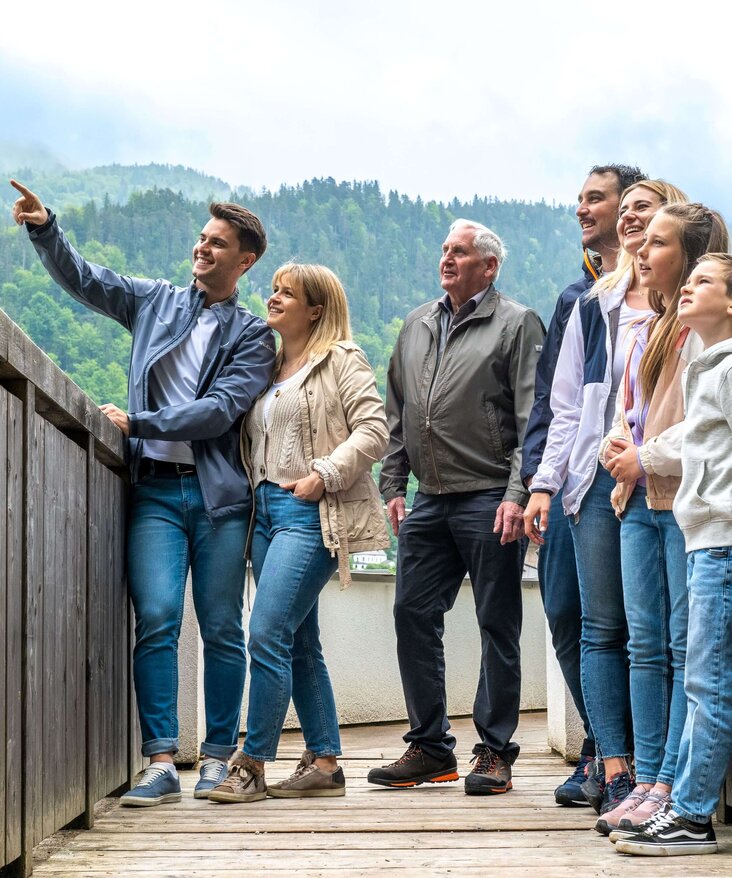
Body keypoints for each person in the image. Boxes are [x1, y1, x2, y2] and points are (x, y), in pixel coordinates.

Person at [10, 179, 276, 807]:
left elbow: (220, 410)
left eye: (217, 243)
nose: (202, 248)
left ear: (246, 260)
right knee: (155, 618)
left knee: (220, 628)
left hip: (218, 501)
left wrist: (141, 423)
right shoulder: (155, 301)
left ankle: (215, 759)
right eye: (201, 238)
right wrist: (46, 227)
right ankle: (160, 763)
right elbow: (86, 279)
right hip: (153, 493)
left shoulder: (253, 336)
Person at [523, 180, 687, 816]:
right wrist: (545, 482)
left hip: (661, 483)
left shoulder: (685, 306)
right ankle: (614, 764)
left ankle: (657, 772)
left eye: (640, 208)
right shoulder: (594, 304)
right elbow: (565, 404)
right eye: (623, 212)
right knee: (601, 626)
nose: (627, 219)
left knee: (658, 630)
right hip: (595, 481)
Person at [370, 219, 545, 795]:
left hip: (492, 497)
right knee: (412, 613)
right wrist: (393, 484)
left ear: (488, 266)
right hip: (429, 501)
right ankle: (430, 747)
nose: (447, 258)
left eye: (460, 252)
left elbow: (531, 420)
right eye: (444, 248)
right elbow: (399, 412)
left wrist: (518, 493)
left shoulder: (516, 324)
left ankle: (494, 753)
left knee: (497, 623)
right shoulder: (417, 324)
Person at [208, 263, 389, 803]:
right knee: (299, 640)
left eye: (288, 293)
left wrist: (324, 475)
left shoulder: (340, 359)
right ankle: (327, 762)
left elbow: (374, 429)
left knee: (266, 632)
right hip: (262, 515)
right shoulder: (267, 365)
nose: (274, 297)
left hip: (307, 513)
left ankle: (252, 764)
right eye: (274, 289)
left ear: (316, 309)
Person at [595, 204, 728, 838]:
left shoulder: (701, 335)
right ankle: (650, 778)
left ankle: (675, 786)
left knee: (684, 654)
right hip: (637, 496)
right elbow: (634, 408)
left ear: (694, 254)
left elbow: (694, 427)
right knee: (646, 646)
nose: (641, 253)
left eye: (657, 243)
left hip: (681, 503)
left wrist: (641, 454)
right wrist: (617, 443)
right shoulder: (652, 326)